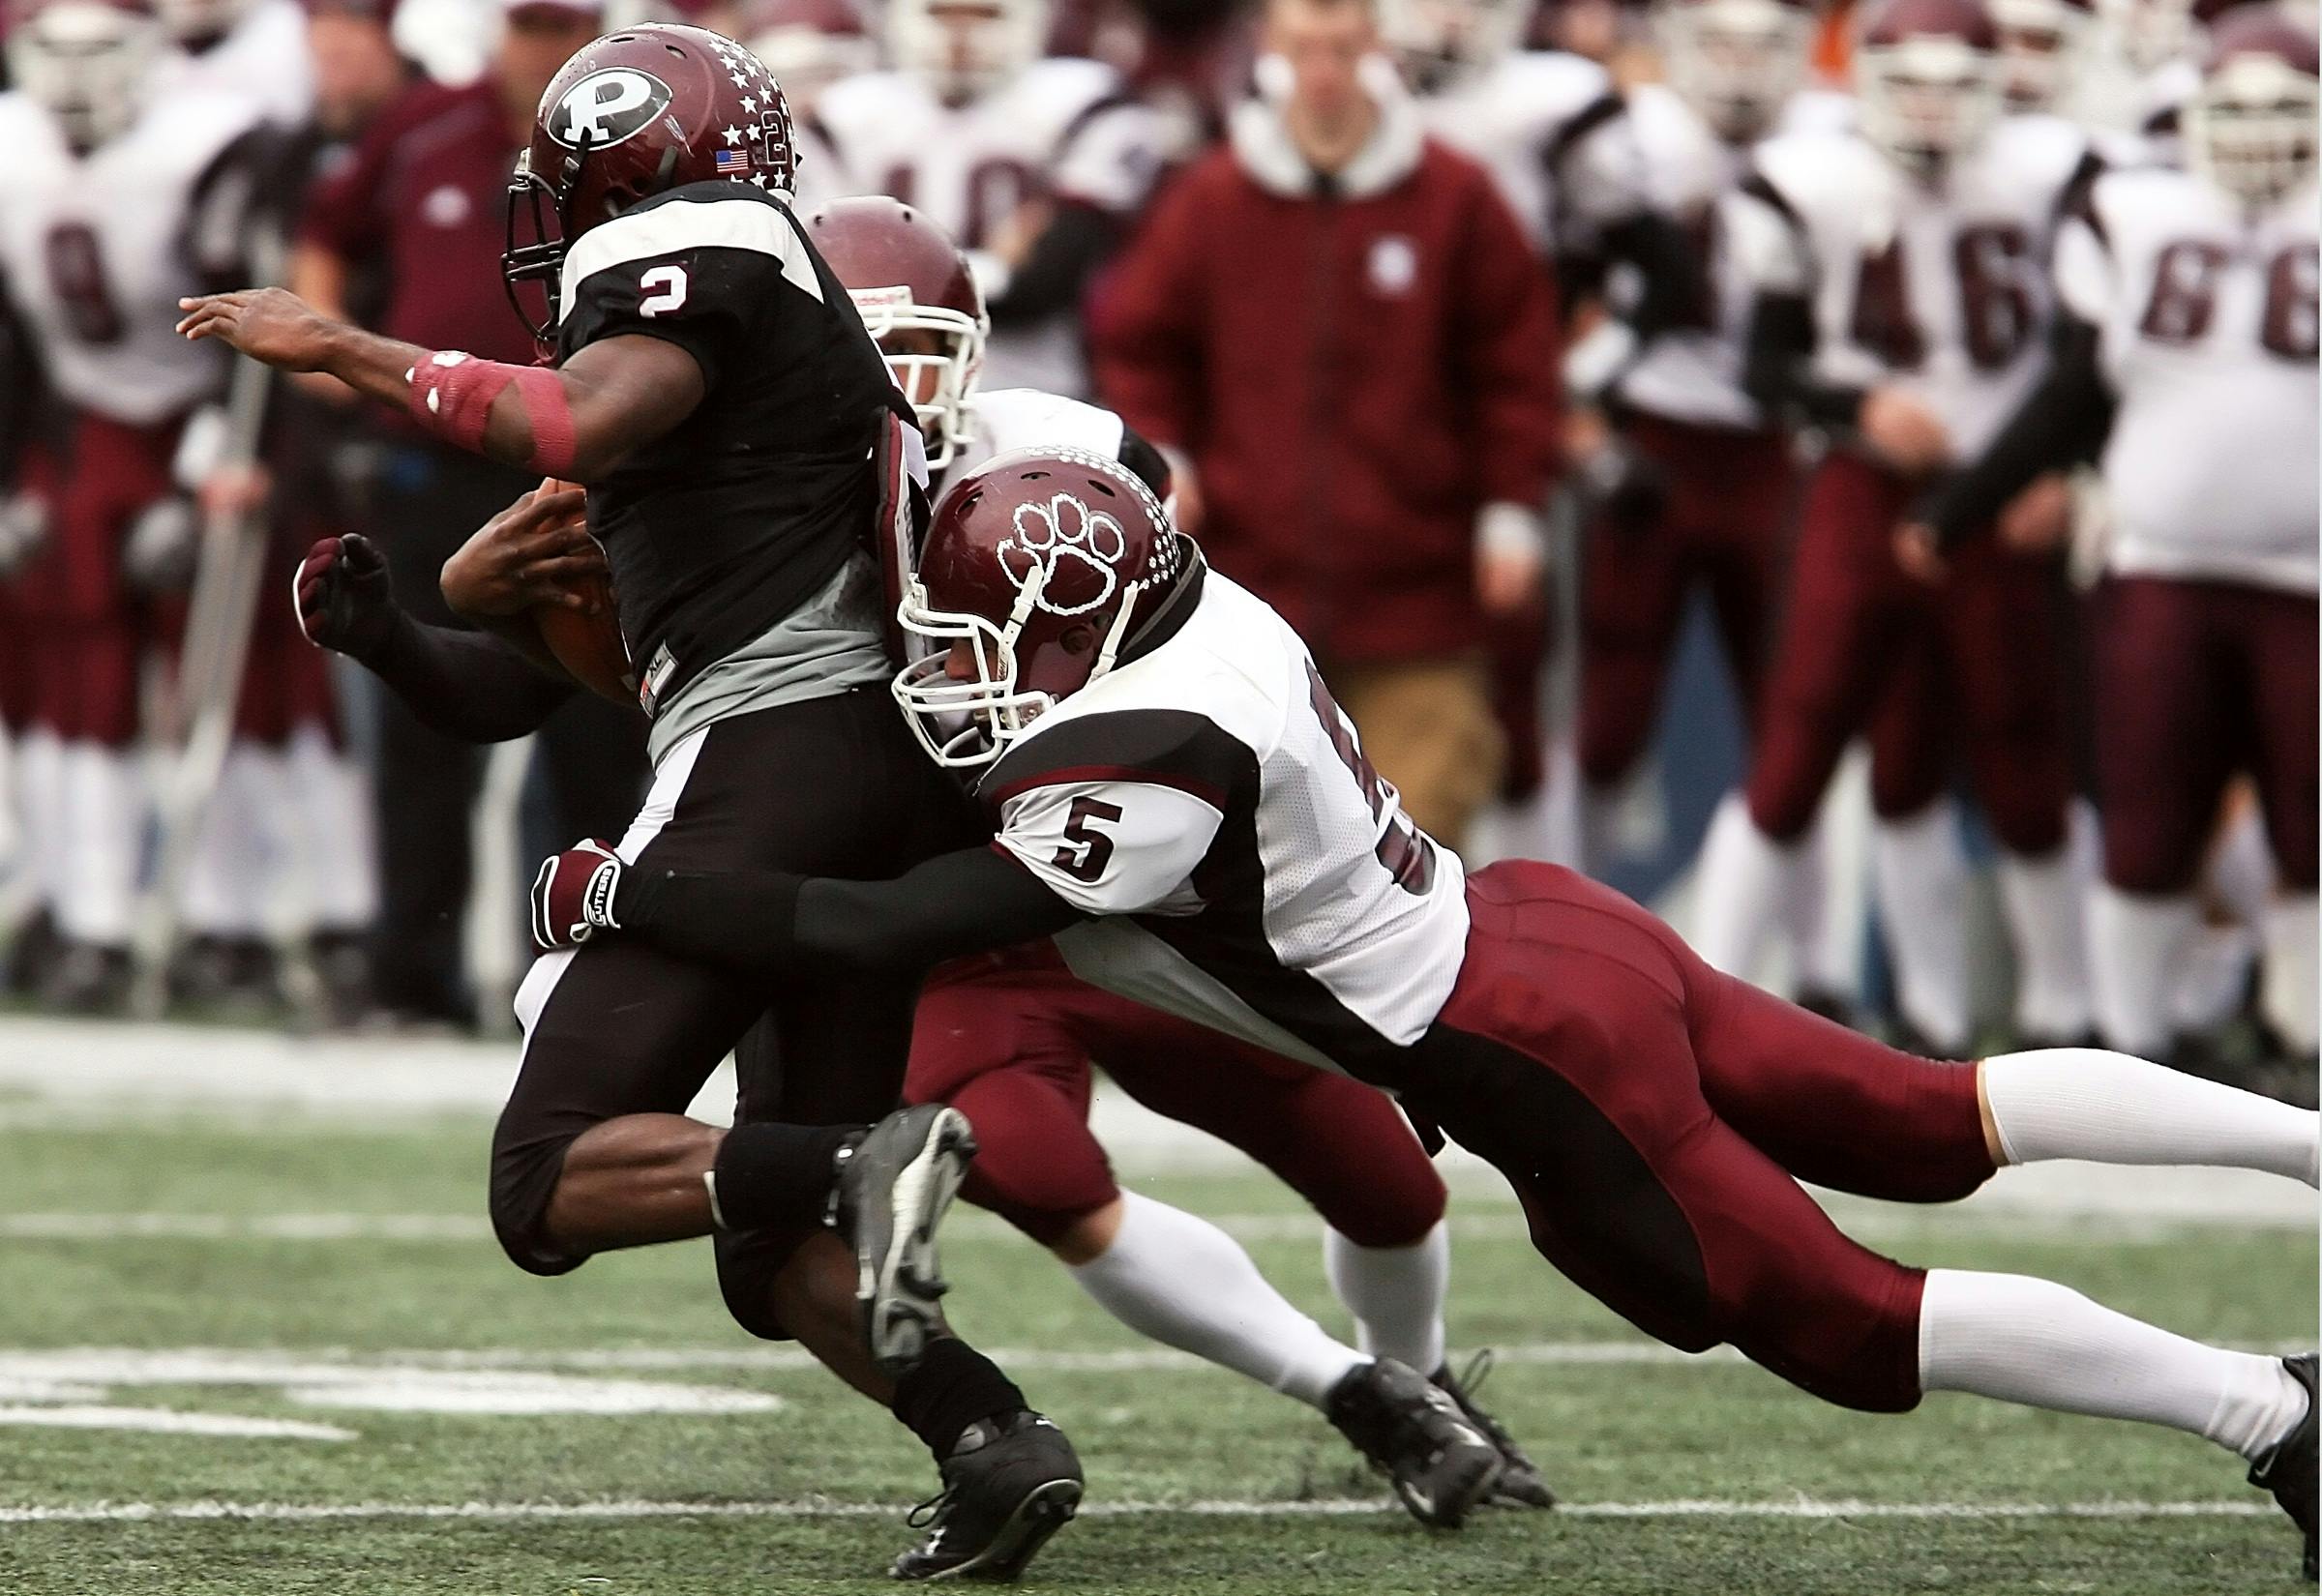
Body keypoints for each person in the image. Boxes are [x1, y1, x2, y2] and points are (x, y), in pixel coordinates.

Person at [539, 442, 2321, 1578]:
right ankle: (2310, 1147)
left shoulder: (1147, 751)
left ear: (1080, 621)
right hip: (1547, 931)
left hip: (1527, 1049)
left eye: (975, 644)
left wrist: (629, 887)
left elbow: (881, 921)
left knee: (1848, 1324)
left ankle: (2274, 1419)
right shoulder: (1201, 609)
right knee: (1931, 1116)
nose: (947, 672)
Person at [293, 191, 1552, 1527]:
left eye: (919, 352)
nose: (892, 385)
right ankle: (1309, 1401)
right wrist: (448, 616)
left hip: (1119, 889)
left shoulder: (1058, 461)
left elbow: (1198, 668)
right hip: (920, 923)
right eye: (867, 347)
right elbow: (565, 681)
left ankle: (1422, 1388)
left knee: (1378, 1171)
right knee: (1029, 1181)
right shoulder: (723, 488)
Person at [180, 25, 1080, 1579]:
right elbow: (523, 689)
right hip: (859, 776)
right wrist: (401, 628)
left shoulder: (707, 242)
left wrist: (341, 346)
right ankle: (991, 1437)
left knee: (546, 1179)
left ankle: (861, 1160)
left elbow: (567, 419)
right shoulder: (731, 419)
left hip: (777, 759)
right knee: (768, 1241)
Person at [1900, 6, 2318, 1074]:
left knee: (2311, 825)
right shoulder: (2133, 208)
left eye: (2283, 111)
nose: (2259, 136)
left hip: (2307, 576)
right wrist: (1965, 506)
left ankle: (2302, 1040)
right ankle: (2129, 1048)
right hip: (2157, 563)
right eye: (2235, 112)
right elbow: (2075, 390)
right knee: (2146, 814)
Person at [1688, 0, 2098, 1054]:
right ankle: (1705, 1007)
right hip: (1861, 486)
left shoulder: (2054, 173)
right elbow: (1765, 366)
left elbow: (2090, 357)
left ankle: (2069, 1016)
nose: (1928, 110)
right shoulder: (1811, 178)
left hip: (2005, 493)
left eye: (1954, 86)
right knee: (1804, 742)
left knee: (2023, 758)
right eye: (1906, 84)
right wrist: (1858, 406)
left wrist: (2065, 468)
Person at [1091, 0, 1561, 854]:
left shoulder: (1454, 195)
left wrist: (1512, 509)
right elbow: (1139, 341)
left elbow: (1517, 367)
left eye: (1342, 48)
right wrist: (1166, 457)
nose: (1323, 71)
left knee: (1416, 851)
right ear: (1269, 48)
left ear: (1376, 46)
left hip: (1417, 604)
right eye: (1304, 48)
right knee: (1253, 855)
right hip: (1247, 600)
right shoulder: (1213, 196)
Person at [287, 0, 645, 1028]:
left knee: (592, 720)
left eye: (563, 29)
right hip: (435, 464)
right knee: (418, 717)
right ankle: (413, 974)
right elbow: (326, 232)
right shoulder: (425, 123)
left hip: (572, 469)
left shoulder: (635, 133)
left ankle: (581, 976)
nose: (543, 49)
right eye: (530, 27)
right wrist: (335, 355)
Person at [0, 0, 272, 1011]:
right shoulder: (13, 148)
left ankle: (226, 918)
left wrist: (213, 458)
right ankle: (91, 918)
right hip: (73, 432)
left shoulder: (208, 140)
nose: (75, 81)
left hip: (197, 424)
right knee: (80, 682)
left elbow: (258, 309)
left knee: (231, 683)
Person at [815, 0, 1165, 394]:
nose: (960, 35)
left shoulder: (1083, 101)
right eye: (941, 14)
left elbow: (1045, 283)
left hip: (1038, 383)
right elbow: (827, 276)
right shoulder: (847, 112)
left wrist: (889, 276)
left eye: (985, 14)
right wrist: (998, 266)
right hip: (891, 376)